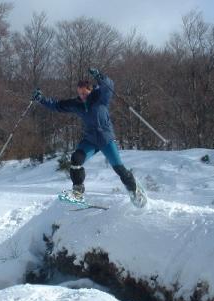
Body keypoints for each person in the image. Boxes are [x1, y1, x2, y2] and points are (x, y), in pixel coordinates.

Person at [31, 68, 146, 208]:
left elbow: (109, 85)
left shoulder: (100, 97)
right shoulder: (77, 104)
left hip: (106, 139)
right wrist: (41, 99)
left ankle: (135, 191)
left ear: (90, 90)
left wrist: (100, 76)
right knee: (75, 160)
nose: (82, 96)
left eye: (84, 93)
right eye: (79, 93)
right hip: (90, 140)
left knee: (119, 169)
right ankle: (78, 191)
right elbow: (57, 105)